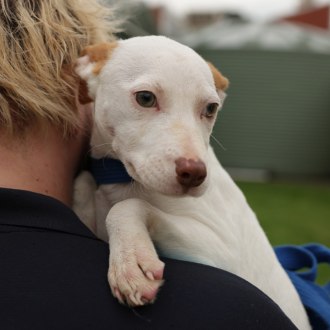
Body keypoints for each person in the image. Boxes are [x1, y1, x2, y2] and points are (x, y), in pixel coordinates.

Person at [0, 1, 298, 329]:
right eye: (145, 98)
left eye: (208, 110)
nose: (192, 160)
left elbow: (221, 258)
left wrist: (132, 215)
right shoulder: (91, 178)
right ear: (85, 77)